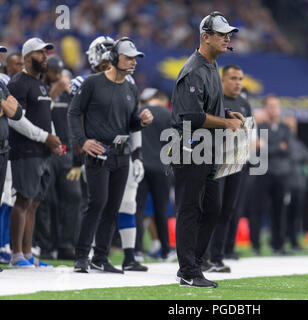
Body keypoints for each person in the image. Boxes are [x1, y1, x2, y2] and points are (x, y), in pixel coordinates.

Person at [68, 37, 152, 274]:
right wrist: (83, 142)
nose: (134, 62)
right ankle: (82, 256)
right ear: (115, 58)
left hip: (122, 155)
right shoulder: (93, 83)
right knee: (97, 203)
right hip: (99, 153)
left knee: (112, 207)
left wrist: (142, 122)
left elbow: (130, 123)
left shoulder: (131, 87)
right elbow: (74, 113)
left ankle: (100, 257)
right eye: (129, 57)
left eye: (136, 58)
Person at [171, 11, 242, 288]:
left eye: (228, 34)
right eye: (222, 33)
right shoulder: (194, 69)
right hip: (189, 147)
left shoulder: (211, 65)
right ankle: (188, 271)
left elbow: (204, 106)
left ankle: (193, 264)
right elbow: (190, 115)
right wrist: (224, 122)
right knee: (190, 208)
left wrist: (226, 113)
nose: (227, 38)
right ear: (205, 37)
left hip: (207, 149)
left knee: (213, 207)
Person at [7, 38, 63, 268]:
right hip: (25, 150)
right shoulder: (19, 83)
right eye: (41, 53)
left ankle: (28, 253)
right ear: (29, 56)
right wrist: (44, 137)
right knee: (23, 201)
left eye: (46, 53)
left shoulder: (40, 84)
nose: (45, 57)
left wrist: (54, 138)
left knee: (34, 202)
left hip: (42, 152)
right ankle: (16, 255)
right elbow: (15, 120)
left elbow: (44, 116)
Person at [203, 65, 252, 272]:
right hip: (214, 159)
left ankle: (217, 256)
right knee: (211, 209)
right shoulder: (215, 99)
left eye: (240, 78)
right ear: (222, 80)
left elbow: (247, 132)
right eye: (233, 78)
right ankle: (202, 256)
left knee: (227, 210)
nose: (238, 82)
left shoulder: (244, 103)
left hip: (236, 161)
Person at [32, 55, 81, 260]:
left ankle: (67, 245)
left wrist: (79, 160)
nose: (60, 77)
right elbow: (38, 114)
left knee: (73, 197)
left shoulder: (71, 95)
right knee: (44, 200)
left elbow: (80, 123)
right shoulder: (41, 91)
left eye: (62, 74)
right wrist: (55, 92)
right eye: (56, 73)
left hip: (67, 153)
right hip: (46, 152)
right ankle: (45, 245)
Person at [135, 88, 175, 261]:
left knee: (138, 209)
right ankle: (165, 250)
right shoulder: (168, 115)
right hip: (161, 168)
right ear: (162, 100)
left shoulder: (138, 112)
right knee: (161, 210)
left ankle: (136, 250)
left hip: (140, 166)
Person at [251, 95, 292, 255]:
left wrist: (268, 146)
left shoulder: (285, 128)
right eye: (271, 106)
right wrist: (277, 147)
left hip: (281, 174)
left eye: (277, 106)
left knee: (279, 210)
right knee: (257, 210)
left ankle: (278, 245)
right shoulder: (259, 128)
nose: (274, 109)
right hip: (262, 172)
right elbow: (257, 150)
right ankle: (256, 246)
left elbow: (288, 149)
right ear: (265, 109)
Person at [0, 45, 24, 271]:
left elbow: (16, 112)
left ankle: (2, 246)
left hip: (4, 150)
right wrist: (7, 106)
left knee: (3, 200)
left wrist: (6, 105)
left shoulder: (1, 82)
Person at [283, 116, 308, 251]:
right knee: (284, 214)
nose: (292, 128)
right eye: (290, 126)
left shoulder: (297, 143)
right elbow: (292, 157)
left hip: (299, 184)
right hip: (286, 183)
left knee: (296, 215)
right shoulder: (282, 141)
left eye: (294, 126)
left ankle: (294, 241)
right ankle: (280, 241)